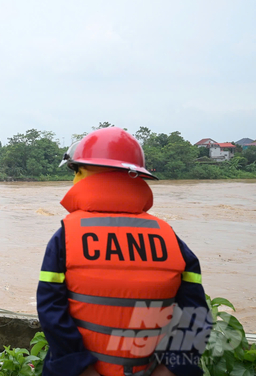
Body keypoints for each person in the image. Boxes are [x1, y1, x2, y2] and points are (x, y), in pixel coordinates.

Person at [37, 127, 212, 376]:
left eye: (77, 171)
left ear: (89, 175)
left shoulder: (66, 237)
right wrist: (172, 369)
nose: (74, 179)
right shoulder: (169, 237)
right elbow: (196, 315)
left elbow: (51, 311)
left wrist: (81, 369)